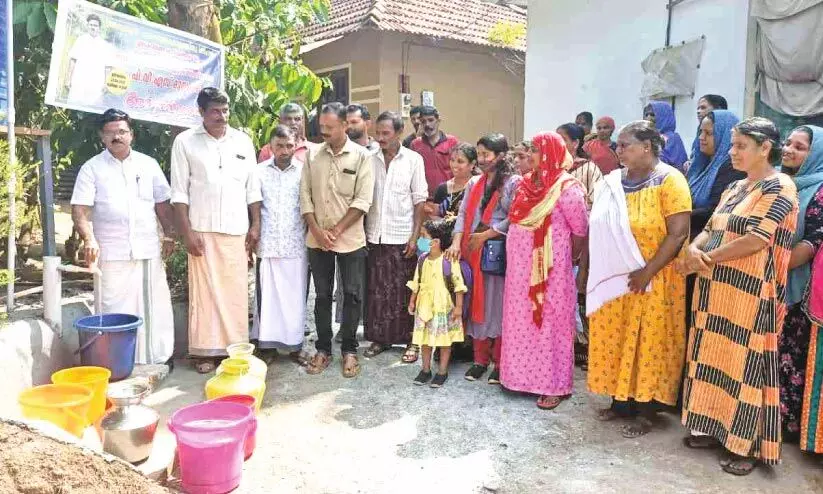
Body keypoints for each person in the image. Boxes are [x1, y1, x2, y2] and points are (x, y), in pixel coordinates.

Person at [681, 117, 798, 475]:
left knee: (746, 368)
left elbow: (758, 239)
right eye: (732, 145)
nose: (733, 152)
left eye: (740, 146)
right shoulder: (734, 188)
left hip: (751, 294)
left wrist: (706, 258)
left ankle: (746, 446)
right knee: (715, 359)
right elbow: (711, 227)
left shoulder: (780, 187)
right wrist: (692, 251)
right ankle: (715, 428)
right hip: (716, 289)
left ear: (765, 148)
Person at [583, 120, 691, 438]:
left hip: (655, 281)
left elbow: (678, 233)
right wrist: (588, 271)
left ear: (646, 147)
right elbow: (596, 227)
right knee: (616, 337)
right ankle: (621, 402)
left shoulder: (671, 181)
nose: (618, 151)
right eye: (618, 145)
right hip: (616, 281)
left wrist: (647, 272)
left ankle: (647, 410)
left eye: (624, 145)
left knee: (649, 340)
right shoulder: (613, 181)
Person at [70, 108, 176, 366]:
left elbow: (162, 204)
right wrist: (89, 239)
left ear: (132, 135)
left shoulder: (148, 164)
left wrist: (170, 235)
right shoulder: (91, 168)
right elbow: (79, 209)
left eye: (122, 131)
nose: (117, 136)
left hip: (146, 248)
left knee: (154, 307)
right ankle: (114, 362)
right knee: (112, 306)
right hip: (111, 251)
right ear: (101, 137)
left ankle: (155, 358)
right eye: (110, 132)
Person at [170, 87, 262, 374]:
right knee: (205, 294)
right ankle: (205, 352)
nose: (222, 117)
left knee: (235, 292)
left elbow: (253, 188)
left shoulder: (242, 141)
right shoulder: (185, 142)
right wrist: (187, 233)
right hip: (202, 229)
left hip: (236, 229)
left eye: (225, 111)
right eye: (215, 112)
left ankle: (234, 349)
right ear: (201, 113)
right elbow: (179, 193)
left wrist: (256, 224)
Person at [501, 131, 588, 410]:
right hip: (518, 271)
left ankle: (553, 385)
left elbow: (580, 231)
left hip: (550, 271)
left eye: (536, 151)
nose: (531, 157)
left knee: (549, 322)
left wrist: (564, 258)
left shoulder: (567, 188)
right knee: (521, 320)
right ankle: (519, 378)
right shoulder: (526, 184)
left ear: (549, 153)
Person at [300, 102, 374, 378]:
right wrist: (317, 229)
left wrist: (338, 229)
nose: (324, 133)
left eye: (330, 128)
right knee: (320, 296)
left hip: (351, 239)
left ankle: (350, 350)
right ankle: (322, 349)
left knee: (353, 295)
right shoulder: (312, 156)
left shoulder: (362, 157)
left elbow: (363, 200)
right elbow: (305, 196)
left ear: (345, 125)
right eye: (321, 128)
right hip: (317, 238)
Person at [447, 133, 522, 384]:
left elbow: (515, 217)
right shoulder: (474, 183)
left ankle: (500, 363)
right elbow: (462, 215)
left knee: (498, 307)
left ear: (500, 156)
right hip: (472, 250)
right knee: (476, 303)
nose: (481, 159)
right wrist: (457, 241)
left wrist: (487, 234)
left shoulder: (513, 183)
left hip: (498, 255)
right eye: (478, 154)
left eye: (485, 155)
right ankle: (480, 360)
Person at [363, 111, 428, 363]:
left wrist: (414, 237)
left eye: (385, 134)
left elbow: (420, 201)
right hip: (374, 235)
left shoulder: (413, 160)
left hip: (402, 235)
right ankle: (379, 339)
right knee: (377, 290)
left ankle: (411, 341)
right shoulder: (369, 159)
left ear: (398, 133)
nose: (380, 138)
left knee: (405, 291)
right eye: (378, 133)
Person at [777, 126, 823, 446]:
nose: (789, 150)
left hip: (799, 285)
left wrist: (776, 269)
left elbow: (814, 240)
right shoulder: (780, 182)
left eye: (801, 147)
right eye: (788, 143)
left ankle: (787, 424)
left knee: (791, 352)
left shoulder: (819, 189)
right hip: (771, 281)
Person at [250, 125, 308, 364]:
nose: (284, 151)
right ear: (270, 147)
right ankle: (267, 347)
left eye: (289, 146)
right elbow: (254, 202)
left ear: (296, 146)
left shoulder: (305, 172)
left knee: (295, 297)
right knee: (269, 298)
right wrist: (254, 228)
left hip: (296, 243)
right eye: (279, 146)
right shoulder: (259, 171)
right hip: (269, 243)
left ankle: (295, 346)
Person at [407, 219, 468, 388]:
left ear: (436, 241)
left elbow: (458, 286)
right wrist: (412, 301)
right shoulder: (422, 260)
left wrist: (458, 308)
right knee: (425, 340)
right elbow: (416, 282)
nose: (421, 240)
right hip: (424, 307)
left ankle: (442, 371)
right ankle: (425, 369)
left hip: (443, 308)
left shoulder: (449, 261)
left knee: (444, 341)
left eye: (424, 236)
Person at [65, 14, 114, 106]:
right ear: (87, 26)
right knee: (74, 106)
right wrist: (68, 79)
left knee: (93, 109)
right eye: (91, 25)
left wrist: (106, 83)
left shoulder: (104, 45)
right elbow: (73, 60)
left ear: (99, 28)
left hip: (96, 83)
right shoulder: (80, 40)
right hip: (79, 80)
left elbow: (108, 67)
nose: (93, 27)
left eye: (95, 25)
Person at [410, 106, 459, 196]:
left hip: (448, 197)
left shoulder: (452, 142)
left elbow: (459, 169)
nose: (427, 124)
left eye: (431, 120)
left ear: (438, 121)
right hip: (423, 198)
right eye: (423, 121)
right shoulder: (415, 145)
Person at [557, 123, 603, 209]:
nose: (556, 144)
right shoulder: (551, 169)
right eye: (555, 140)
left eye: (562, 140)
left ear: (575, 143)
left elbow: (598, 200)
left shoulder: (589, 169)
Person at [431, 143, 477, 219]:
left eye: (460, 161)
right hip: (444, 230)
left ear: (472, 164)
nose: (454, 165)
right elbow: (434, 216)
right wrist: (447, 224)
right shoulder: (442, 188)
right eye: (452, 160)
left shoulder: (478, 187)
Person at [644, 101, 688, 171]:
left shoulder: (672, 138)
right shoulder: (645, 137)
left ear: (663, 116)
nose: (648, 118)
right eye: (646, 115)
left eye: (652, 114)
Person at [689, 94, 728, 161]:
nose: (698, 111)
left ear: (718, 109)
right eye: (698, 108)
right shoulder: (699, 132)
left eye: (703, 108)